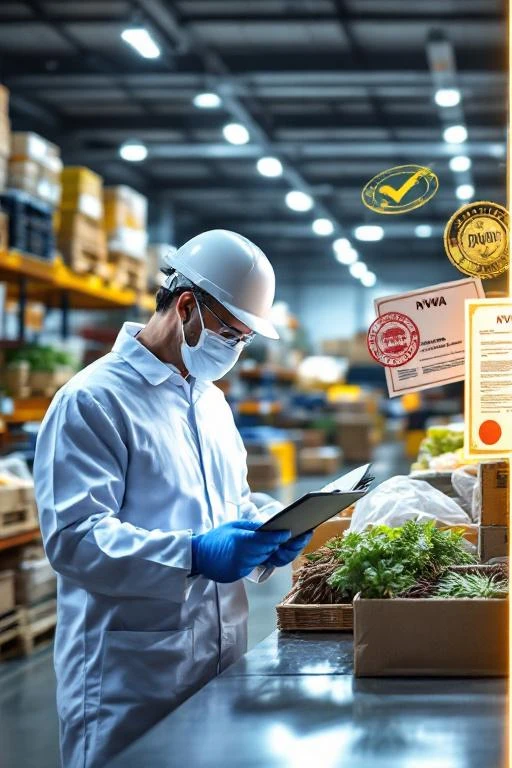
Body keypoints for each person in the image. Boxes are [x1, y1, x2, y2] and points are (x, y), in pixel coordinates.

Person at [34, 230, 313, 768]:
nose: (236, 351)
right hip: (130, 677)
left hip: (218, 657)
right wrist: (192, 554)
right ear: (186, 305)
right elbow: (74, 540)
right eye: (232, 335)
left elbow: (229, 501)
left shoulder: (211, 403)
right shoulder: (93, 400)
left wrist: (268, 526)